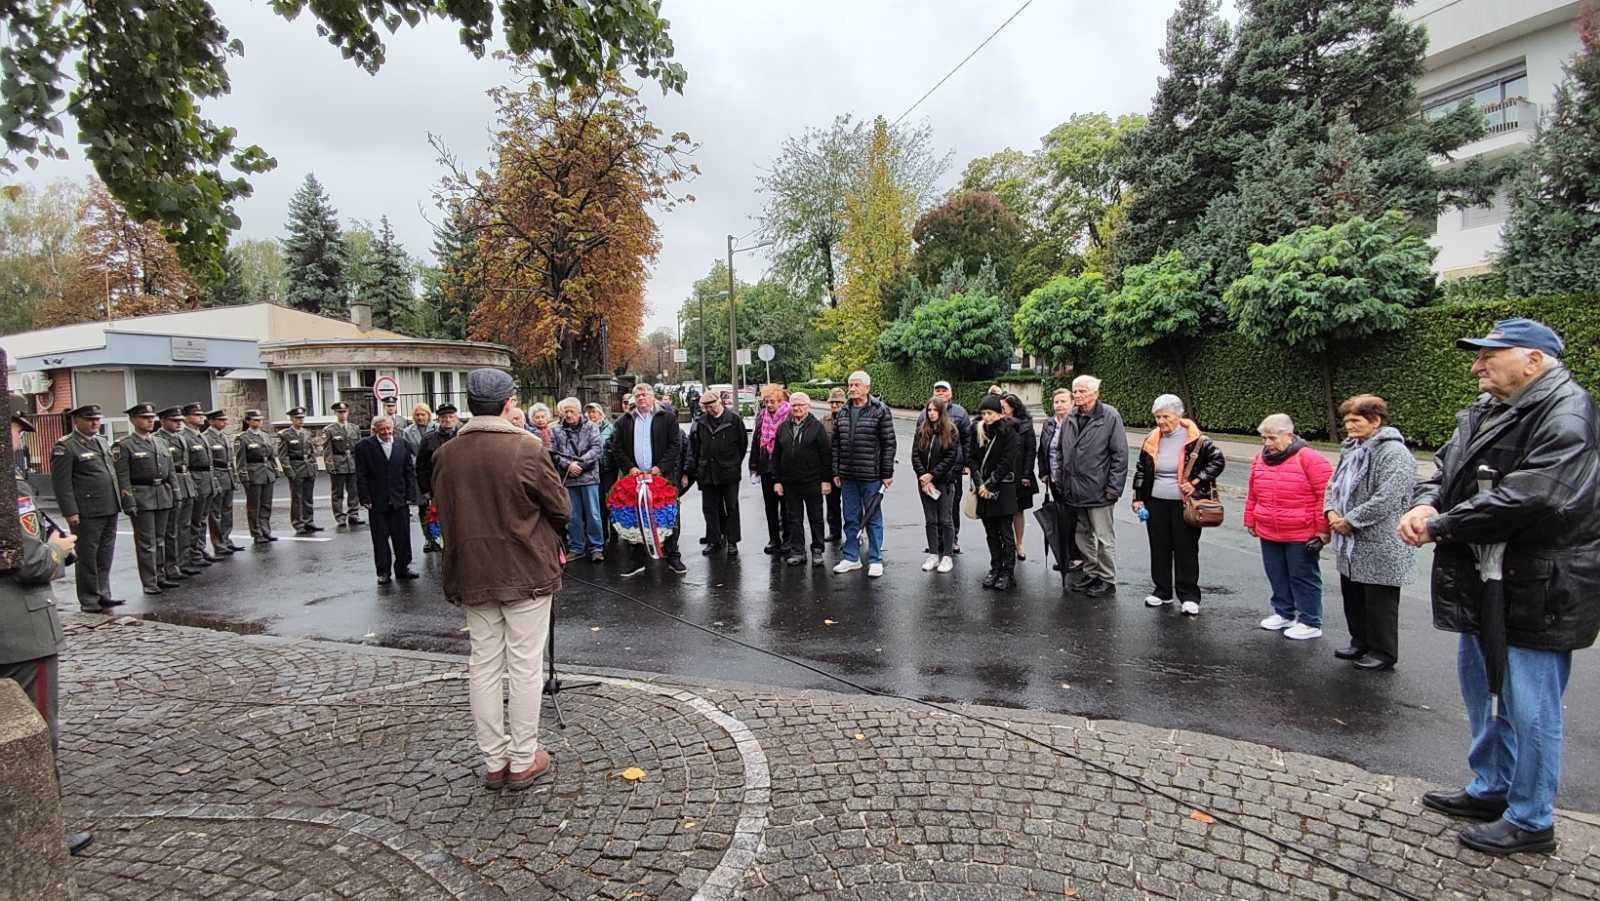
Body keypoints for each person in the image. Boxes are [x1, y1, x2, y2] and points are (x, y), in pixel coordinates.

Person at [1399, 318, 1599, 856]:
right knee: (1486, 693)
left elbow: (1537, 495)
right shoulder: (1489, 409)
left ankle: (1531, 819)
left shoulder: (1567, 412)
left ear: (1533, 360)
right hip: (1486, 579)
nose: (1477, 366)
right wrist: (1425, 502)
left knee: (1530, 709)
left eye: (1490, 355)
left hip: (1538, 587)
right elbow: (1443, 468)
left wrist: (1443, 525)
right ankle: (1493, 787)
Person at [432, 368, 568, 792]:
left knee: (484, 665)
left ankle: (494, 760)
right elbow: (561, 509)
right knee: (524, 666)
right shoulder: (526, 448)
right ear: (509, 403)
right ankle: (523, 758)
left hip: (473, 571)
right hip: (525, 569)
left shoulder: (447, 454)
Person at [2, 470, 93, 856]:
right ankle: (40, 832)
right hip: (19, 633)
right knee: (34, 736)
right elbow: (31, 562)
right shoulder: (8, 486)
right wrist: (58, 548)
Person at [1323, 394, 1415, 671]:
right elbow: (1333, 485)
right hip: (1350, 541)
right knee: (1353, 596)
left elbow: (1387, 497)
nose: (1349, 426)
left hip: (1379, 540)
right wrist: (1330, 512)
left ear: (1375, 421)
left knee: (1379, 602)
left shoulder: (1394, 453)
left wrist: (1351, 520)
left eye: (1356, 420)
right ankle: (1360, 642)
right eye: (1346, 421)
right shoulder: (1351, 448)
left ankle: (1383, 652)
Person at [1131, 395, 1224, 616]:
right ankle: (1162, 591)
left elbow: (1218, 461)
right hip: (1156, 501)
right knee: (1159, 547)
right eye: (1157, 417)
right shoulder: (1152, 438)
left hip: (1184, 504)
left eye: (1166, 416)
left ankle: (1189, 595)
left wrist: (1196, 481)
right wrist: (1138, 497)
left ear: (1178, 415)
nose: (1161, 421)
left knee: (1186, 549)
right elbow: (1142, 469)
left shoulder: (1197, 439)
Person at [1245, 413, 1332, 640]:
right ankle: (1284, 612)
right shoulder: (1260, 458)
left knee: (1303, 576)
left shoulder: (1311, 459)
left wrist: (1322, 529)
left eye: (1272, 438)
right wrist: (1250, 519)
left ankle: (1310, 621)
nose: (1267, 443)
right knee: (1276, 573)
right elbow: (1253, 492)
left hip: (1300, 531)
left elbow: (1325, 496)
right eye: (1264, 438)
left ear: (1289, 435)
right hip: (1269, 528)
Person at [1048, 375, 1127, 597]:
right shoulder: (1071, 416)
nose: (1077, 395)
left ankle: (1107, 578)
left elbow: (1120, 455)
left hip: (1099, 490)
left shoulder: (1109, 416)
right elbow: (1061, 451)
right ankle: (1092, 573)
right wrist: (1061, 479)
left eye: (1082, 391)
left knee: (1103, 538)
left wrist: (1114, 488)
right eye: (1075, 391)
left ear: (1095, 393)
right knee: (1082, 535)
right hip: (1074, 489)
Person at [48, 404, 122, 612]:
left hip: (109, 505)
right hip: (87, 510)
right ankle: (89, 599)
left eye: (97, 419)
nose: (95, 423)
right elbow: (62, 483)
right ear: (76, 421)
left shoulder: (101, 441)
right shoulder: (66, 446)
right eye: (90, 419)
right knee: (88, 556)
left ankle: (103, 593)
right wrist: (70, 511)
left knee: (105, 554)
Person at [607, 383, 686, 576]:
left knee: (668, 516)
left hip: (661, 476)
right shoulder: (624, 421)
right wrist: (630, 467)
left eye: (645, 394)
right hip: (635, 477)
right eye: (638, 395)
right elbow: (617, 447)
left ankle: (673, 556)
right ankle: (637, 559)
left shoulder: (667, 418)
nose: (641, 398)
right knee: (636, 517)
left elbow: (675, 445)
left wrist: (660, 468)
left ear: (652, 396)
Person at [831, 371, 896, 578]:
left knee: (873, 517)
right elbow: (836, 444)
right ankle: (852, 557)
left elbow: (889, 443)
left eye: (856, 385)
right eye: (850, 385)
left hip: (872, 475)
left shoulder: (880, 410)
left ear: (867, 388)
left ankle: (875, 559)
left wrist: (887, 473)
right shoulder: (843, 411)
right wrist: (836, 470)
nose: (852, 388)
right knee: (850, 517)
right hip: (848, 476)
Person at [115, 403, 176, 593]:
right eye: (145, 418)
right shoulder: (125, 445)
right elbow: (122, 476)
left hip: (162, 494)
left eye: (151, 417)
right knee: (146, 542)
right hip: (142, 495)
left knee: (160, 539)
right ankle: (149, 582)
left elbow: (170, 470)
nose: (150, 421)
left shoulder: (160, 442)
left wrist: (175, 492)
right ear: (133, 420)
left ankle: (161, 575)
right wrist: (128, 500)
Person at [354, 415, 418, 584]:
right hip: (377, 501)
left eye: (389, 428)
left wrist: (411, 495)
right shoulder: (363, 447)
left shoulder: (402, 444)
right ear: (375, 430)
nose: (386, 432)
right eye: (382, 429)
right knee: (380, 539)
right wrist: (365, 497)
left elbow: (409, 472)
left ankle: (403, 568)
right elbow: (361, 475)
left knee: (403, 536)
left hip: (399, 499)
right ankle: (383, 572)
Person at [772, 392, 831, 566]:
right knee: (794, 519)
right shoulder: (783, 427)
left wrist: (826, 480)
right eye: (794, 405)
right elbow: (776, 456)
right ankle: (798, 551)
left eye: (801, 405)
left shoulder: (817, 427)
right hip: (790, 482)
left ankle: (817, 549)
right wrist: (777, 480)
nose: (797, 408)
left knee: (816, 517)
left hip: (812, 481)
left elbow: (825, 455)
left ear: (808, 406)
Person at [685, 390, 746, 556]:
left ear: (719, 402)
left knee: (731, 507)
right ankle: (714, 540)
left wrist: (733, 463)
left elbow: (742, 445)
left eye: (712, 406)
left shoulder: (734, 420)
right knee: (710, 508)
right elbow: (695, 447)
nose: (710, 410)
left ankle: (732, 541)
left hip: (728, 471)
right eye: (707, 407)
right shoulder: (701, 422)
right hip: (707, 472)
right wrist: (695, 468)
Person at [548, 398, 604, 563]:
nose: (569, 414)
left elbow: (597, 448)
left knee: (593, 514)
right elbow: (553, 452)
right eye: (566, 411)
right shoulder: (556, 430)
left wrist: (579, 464)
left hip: (589, 477)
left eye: (572, 411)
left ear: (579, 412)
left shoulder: (591, 427)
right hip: (569, 478)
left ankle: (596, 547)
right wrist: (568, 465)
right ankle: (576, 547)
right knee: (573, 515)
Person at [912, 397, 963, 574]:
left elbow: (950, 457)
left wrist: (932, 474)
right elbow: (915, 455)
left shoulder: (951, 430)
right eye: (929, 410)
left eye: (935, 410)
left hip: (944, 482)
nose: (932, 413)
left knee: (945, 520)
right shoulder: (921, 430)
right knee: (930, 520)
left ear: (942, 412)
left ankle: (947, 556)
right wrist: (922, 475)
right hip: (925, 483)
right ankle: (933, 554)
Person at [1037, 388, 1084, 574]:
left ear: (1072, 403)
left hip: (1073, 482)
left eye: (1063, 401)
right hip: (1055, 481)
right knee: (1061, 520)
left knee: (1075, 521)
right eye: (1056, 402)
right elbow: (1043, 450)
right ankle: (1065, 556)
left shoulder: (1078, 423)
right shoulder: (1049, 424)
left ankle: (1077, 557)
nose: (1059, 405)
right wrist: (1044, 472)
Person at [974, 395, 1018, 590]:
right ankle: (995, 568)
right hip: (983, 488)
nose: (986, 417)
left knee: (1006, 533)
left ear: (1000, 414)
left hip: (1003, 488)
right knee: (990, 532)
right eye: (984, 413)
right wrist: (979, 483)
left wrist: (989, 484)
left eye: (990, 413)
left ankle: (1008, 572)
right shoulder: (977, 431)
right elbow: (972, 459)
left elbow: (1006, 462)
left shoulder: (1009, 433)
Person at [154, 406, 200, 581]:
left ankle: (184, 561)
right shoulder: (159, 439)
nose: (179, 423)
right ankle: (170, 566)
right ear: (163, 421)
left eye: (180, 420)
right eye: (174, 420)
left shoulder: (180, 438)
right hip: (172, 485)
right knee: (171, 529)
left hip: (186, 483)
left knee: (185, 526)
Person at [929, 381, 973, 554]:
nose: (940, 393)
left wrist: (967, 463)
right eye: (937, 390)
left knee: (952, 505)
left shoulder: (960, 413)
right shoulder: (927, 412)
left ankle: (953, 539)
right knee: (933, 505)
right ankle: (937, 540)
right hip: (932, 470)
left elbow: (967, 440)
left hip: (953, 468)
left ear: (950, 393)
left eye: (944, 390)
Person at [749, 384, 790, 555]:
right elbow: (756, 442)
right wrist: (753, 466)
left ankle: (788, 539)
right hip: (766, 467)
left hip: (785, 468)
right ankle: (774, 539)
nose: (769, 405)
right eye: (766, 402)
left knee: (787, 507)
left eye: (772, 401)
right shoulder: (762, 417)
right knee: (770, 507)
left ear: (780, 401)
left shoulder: (789, 417)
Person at [416, 403, 460, 554]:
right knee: (437, 518)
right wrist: (425, 489)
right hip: (437, 486)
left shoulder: (463, 436)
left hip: (460, 486)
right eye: (444, 417)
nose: (447, 420)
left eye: (450, 417)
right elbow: (421, 466)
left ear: (456, 418)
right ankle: (434, 542)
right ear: (438, 419)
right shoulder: (429, 439)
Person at [181, 403, 219, 567]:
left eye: (202, 414)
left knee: (202, 519)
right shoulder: (184, 436)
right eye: (197, 415)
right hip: (196, 480)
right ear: (186, 418)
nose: (202, 417)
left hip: (207, 480)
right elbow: (185, 464)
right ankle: (192, 553)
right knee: (194, 520)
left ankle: (200, 548)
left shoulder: (200, 436)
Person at [203, 410, 246, 555]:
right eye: (220, 420)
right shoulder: (206, 437)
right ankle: (219, 544)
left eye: (225, 420)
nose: (224, 422)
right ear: (211, 421)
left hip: (227, 477)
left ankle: (226, 540)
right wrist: (213, 480)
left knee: (227, 511)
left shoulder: (225, 437)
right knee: (216, 513)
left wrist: (234, 477)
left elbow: (230, 460)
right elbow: (208, 463)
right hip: (217, 476)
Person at [236, 409, 281, 544]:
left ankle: (266, 530)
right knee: (254, 506)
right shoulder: (243, 438)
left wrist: (275, 470)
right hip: (253, 474)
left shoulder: (265, 435)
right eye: (256, 420)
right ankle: (257, 532)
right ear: (248, 421)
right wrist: (244, 477)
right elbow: (240, 460)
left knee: (266, 504)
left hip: (267, 473)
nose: (259, 422)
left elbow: (271, 455)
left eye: (260, 420)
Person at [1002, 394, 1036, 561]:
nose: (1001, 410)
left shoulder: (1025, 426)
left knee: (1018, 510)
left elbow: (1031, 451)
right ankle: (1006, 544)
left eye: (1004, 407)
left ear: (1013, 408)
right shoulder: (996, 423)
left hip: (1020, 473)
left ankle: (1019, 543)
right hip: (1002, 474)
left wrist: (1026, 474)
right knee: (1002, 512)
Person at [278, 407, 320, 535]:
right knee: (297, 498)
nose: (300, 420)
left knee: (308, 497)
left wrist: (314, 465)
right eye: (297, 418)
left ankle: (309, 521)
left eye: (302, 418)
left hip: (308, 467)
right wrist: (289, 471)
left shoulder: (306, 433)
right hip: (296, 467)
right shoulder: (285, 434)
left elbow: (311, 451)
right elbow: (283, 456)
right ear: (292, 419)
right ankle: (298, 523)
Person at [321, 401, 362, 527]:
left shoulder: (355, 428)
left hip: (352, 463)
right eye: (340, 412)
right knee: (337, 493)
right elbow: (327, 450)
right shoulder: (330, 430)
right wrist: (330, 465)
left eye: (344, 412)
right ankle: (340, 516)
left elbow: (359, 448)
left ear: (348, 412)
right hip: (338, 463)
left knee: (354, 491)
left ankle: (354, 514)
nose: (342, 414)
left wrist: (360, 464)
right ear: (336, 413)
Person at [821, 387, 847, 543]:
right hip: (830, 468)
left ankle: (854, 533)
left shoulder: (850, 417)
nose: (835, 405)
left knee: (852, 505)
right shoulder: (824, 420)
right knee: (831, 503)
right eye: (832, 402)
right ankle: (834, 531)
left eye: (838, 402)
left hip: (847, 468)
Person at [589, 403, 618, 537]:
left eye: (594, 412)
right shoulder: (587, 429)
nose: (591, 415)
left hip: (609, 469)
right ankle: (603, 532)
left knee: (610, 499)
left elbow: (616, 447)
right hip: (593, 470)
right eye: (589, 412)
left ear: (601, 413)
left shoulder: (611, 428)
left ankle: (614, 529)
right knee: (599, 501)